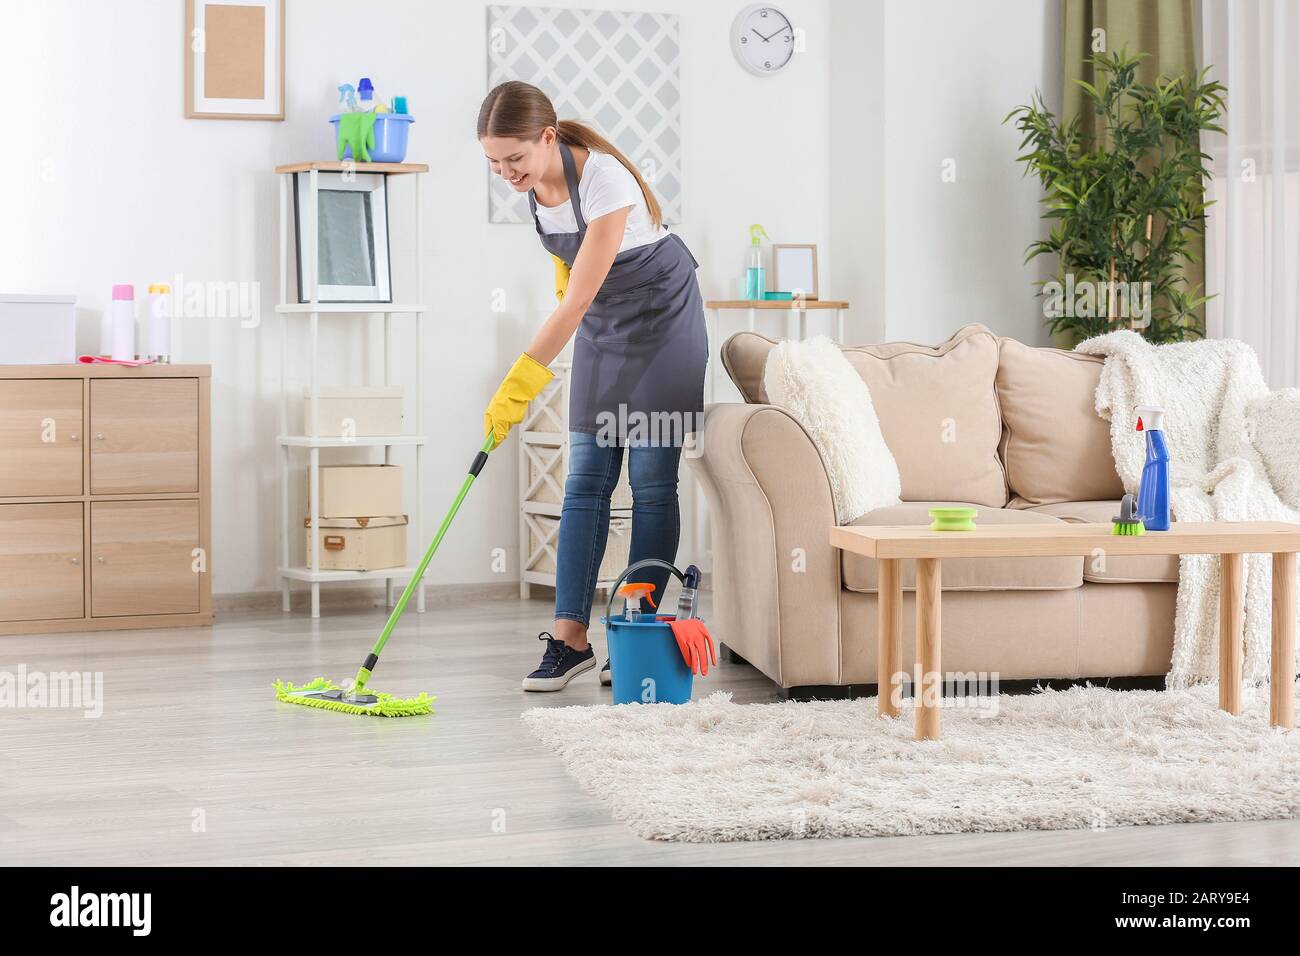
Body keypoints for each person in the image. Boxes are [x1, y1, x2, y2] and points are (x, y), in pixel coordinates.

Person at [478, 81, 707, 691]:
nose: (504, 172)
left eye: (514, 159)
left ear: (547, 139)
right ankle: (569, 640)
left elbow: (575, 301)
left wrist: (518, 384)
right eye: (493, 161)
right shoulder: (535, 186)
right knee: (584, 481)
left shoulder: (606, 179)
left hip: (664, 321)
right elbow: (572, 273)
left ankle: (637, 628)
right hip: (605, 323)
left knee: (652, 483)